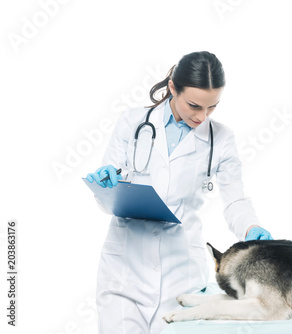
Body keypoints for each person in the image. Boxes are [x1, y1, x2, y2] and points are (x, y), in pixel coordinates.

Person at [85, 51, 272, 333]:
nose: (202, 116)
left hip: (181, 271)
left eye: (212, 108)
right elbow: (106, 196)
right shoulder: (132, 122)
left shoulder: (221, 139)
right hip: (125, 269)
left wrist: (251, 227)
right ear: (173, 87)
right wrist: (104, 184)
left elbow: (235, 200)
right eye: (194, 105)